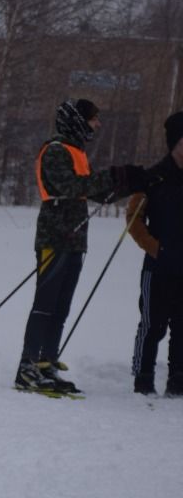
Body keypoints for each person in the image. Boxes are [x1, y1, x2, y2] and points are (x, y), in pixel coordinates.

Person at [15, 99, 152, 395]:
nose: (97, 125)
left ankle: (45, 362)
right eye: (93, 120)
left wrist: (129, 182)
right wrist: (115, 175)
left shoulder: (76, 152)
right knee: (46, 303)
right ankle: (26, 367)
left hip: (75, 239)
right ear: (77, 121)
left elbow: (95, 191)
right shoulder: (55, 151)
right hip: (55, 237)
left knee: (61, 305)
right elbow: (71, 186)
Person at [127, 112, 183, 397]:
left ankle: (178, 380)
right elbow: (133, 220)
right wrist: (154, 247)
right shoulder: (153, 178)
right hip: (158, 266)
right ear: (174, 145)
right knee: (152, 324)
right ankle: (143, 377)